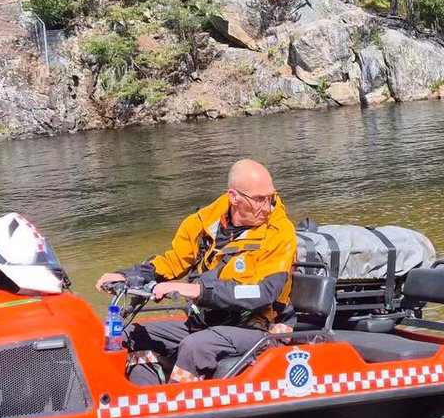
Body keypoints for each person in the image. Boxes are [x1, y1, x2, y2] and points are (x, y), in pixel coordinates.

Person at [96, 159, 297, 384]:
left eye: (270, 197)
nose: (267, 206)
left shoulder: (280, 232)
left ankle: (175, 402)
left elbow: (263, 293)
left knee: (195, 347)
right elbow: (174, 261)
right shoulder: (206, 222)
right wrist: (128, 276)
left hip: (258, 326)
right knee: (131, 334)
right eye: (259, 199)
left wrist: (198, 290)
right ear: (234, 197)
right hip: (209, 321)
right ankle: (141, 396)